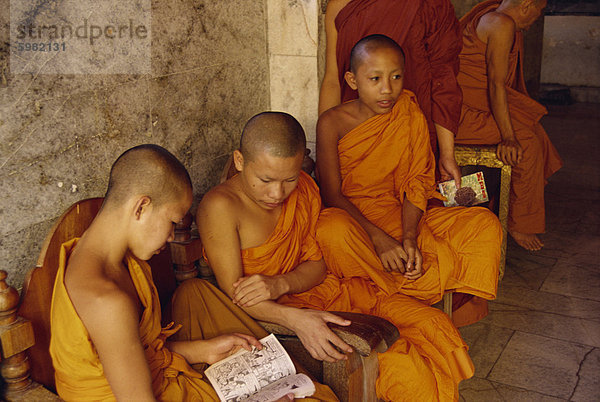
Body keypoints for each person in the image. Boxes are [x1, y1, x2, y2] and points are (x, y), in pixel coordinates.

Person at [198, 111, 477, 401]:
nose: (277, 192)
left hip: (326, 290)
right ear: (240, 161)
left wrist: (280, 284)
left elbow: (317, 266)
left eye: (289, 179)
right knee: (405, 364)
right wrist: (296, 319)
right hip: (278, 317)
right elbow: (237, 298)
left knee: (431, 324)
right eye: (265, 179)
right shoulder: (221, 207)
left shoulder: (303, 188)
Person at [49, 144, 314, 401]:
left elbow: (135, 350)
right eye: (172, 222)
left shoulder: (115, 259)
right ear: (141, 207)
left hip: (164, 378)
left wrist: (202, 350)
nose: (170, 237)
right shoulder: (106, 302)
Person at [316, 34, 502, 328]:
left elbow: (416, 181)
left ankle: (393, 284)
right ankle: (398, 289)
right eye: (375, 79)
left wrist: (409, 238)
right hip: (355, 221)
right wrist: (380, 241)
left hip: (401, 213)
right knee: (329, 229)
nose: (387, 89)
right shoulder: (332, 122)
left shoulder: (408, 111)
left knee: (484, 224)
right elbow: (332, 195)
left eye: (396, 77)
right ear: (352, 80)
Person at [455, 0, 562, 251]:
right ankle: (520, 222)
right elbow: (495, 85)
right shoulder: (500, 24)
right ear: (526, 4)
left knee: (535, 131)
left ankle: (511, 203)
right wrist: (508, 136)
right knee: (526, 141)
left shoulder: (491, 16)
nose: (538, 16)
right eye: (540, 9)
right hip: (461, 116)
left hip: (472, 108)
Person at [319, 0, 464, 185]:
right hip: (356, 138)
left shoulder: (431, 4)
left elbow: (443, 79)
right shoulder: (339, 6)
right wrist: (325, 149)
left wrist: (447, 154)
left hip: (410, 133)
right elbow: (333, 79)